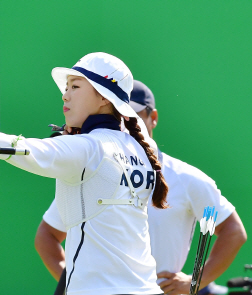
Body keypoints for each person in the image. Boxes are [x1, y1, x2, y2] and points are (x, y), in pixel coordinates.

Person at [0, 52, 169, 294]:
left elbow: (29, 149)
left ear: (104, 98)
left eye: (75, 86)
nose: (65, 95)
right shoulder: (142, 148)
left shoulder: (90, 147)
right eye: (66, 88)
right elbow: (130, 127)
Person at [35, 80, 247, 295]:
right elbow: (47, 235)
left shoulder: (186, 179)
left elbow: (231, 229)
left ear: (152, 118)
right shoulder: (91, 173)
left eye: (133, 116)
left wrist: (195, 281)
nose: (126, 123)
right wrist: (77, 282)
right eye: (118, 116)